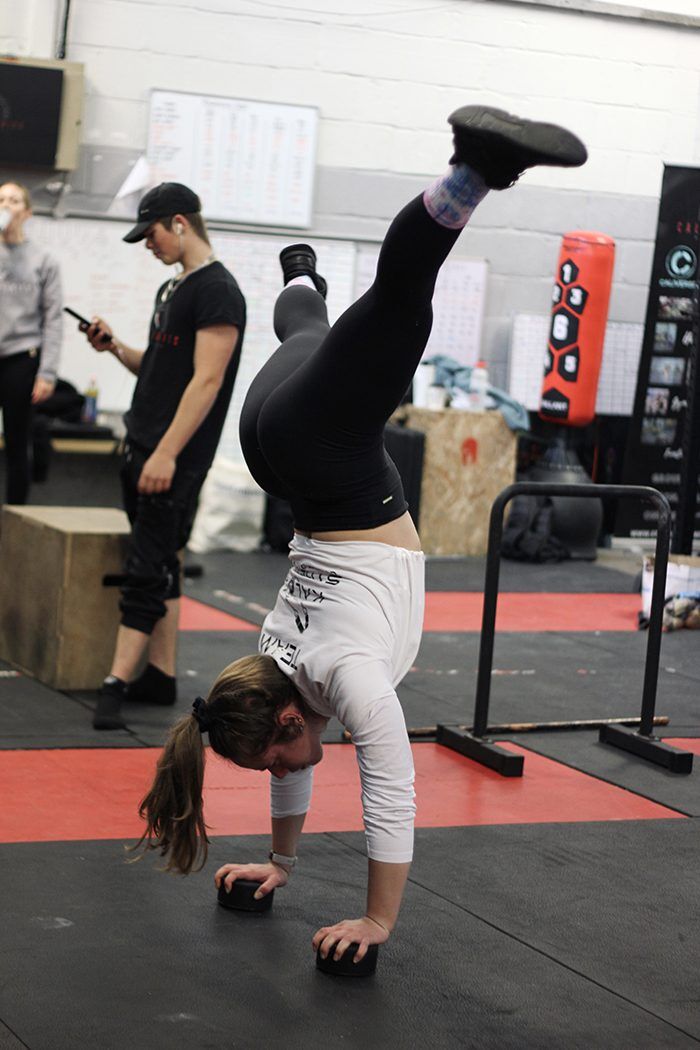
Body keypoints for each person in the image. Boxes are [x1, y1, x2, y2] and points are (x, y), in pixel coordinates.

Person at [136, 106, 587, 964]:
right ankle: (302, 277)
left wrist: (377, 922)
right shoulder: (268, 664)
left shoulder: (342, 682)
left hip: (326, 461)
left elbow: (391, 791)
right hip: (273, 447)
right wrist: (278, 864)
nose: (286, 768)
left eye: (273, 757)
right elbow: (296, 757)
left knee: (400, 307)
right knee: (308, 331)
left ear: (280, 716)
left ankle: (475, 168)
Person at [82, 182, 246, 730]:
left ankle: (115, 684)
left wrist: (168, 454)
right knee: (164, 561)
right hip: (143, 446)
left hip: (169, 457)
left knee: (147, 567)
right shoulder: (172, 289)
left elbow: (207, 382)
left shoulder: (218, 291)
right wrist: (115, 347)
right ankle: (160, 676)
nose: (147, 246)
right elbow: (157, 369)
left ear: (179, 223)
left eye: (150, 235)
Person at [0, 182, 63, 505]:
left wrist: (47, 373)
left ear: (26, 212)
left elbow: (53, 319)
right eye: (1, 199)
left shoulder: (43, 260)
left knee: (17, 443)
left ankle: (14, 522)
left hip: (21, 358)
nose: (6, 204)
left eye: (13, 200)